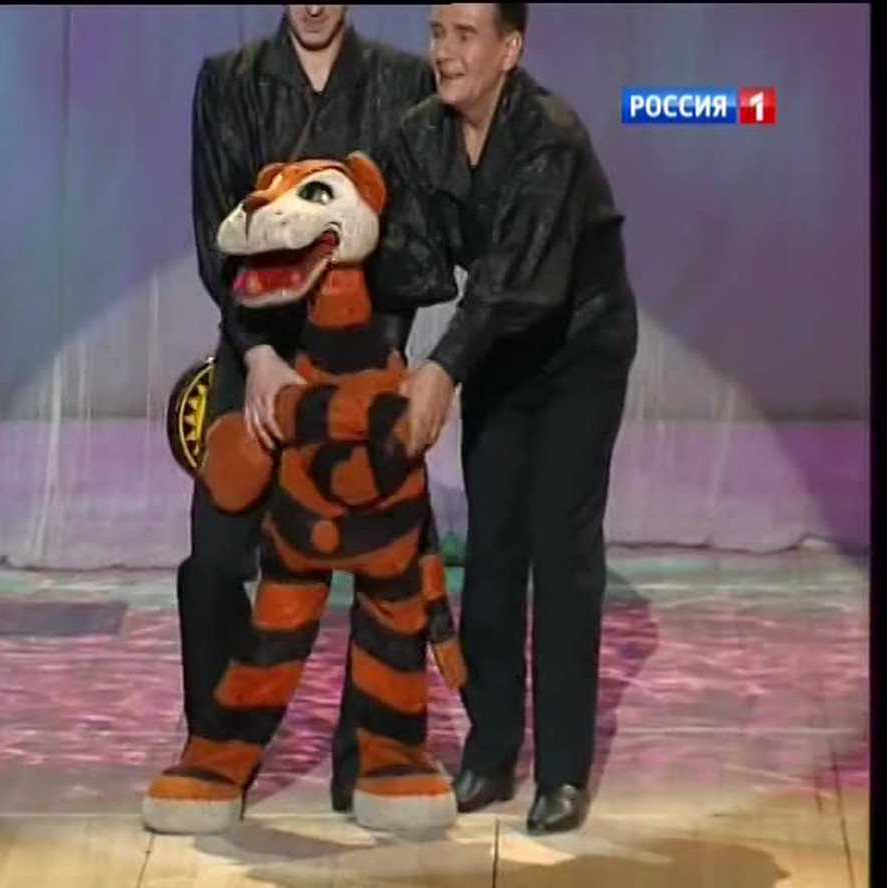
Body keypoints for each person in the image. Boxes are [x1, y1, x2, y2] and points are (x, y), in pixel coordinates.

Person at [368, 3, 639, 834]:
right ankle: (489, 752)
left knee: (560, 547)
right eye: (437, 32)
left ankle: (562, 772)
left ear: (509, 48)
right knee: (490, 552)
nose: (445, 52)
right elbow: (405, 265)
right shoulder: (419, 134)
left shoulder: (550, 135)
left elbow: (514, 281)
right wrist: (387, 364)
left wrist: (442, 370)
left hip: (578, 350)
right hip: (500, 353)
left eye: (465, 35)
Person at [180, 5, 434, 814]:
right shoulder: (230, 82)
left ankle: (371, 753)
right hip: (255, 352)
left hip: (360, 358)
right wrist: (259, 355)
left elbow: (406, 236)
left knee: (380, 558)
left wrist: (371, 362)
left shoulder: (402, 82)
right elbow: (217, 236)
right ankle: (215, 751)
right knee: (217, 554)